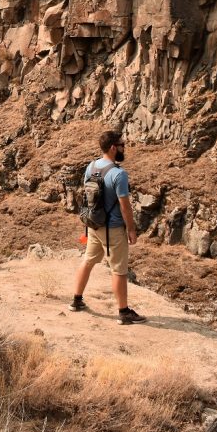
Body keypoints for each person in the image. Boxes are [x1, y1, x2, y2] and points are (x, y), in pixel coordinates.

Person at [69, 130, 146, 324]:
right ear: (113, 147)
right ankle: (123, 312)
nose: (123, 148)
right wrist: (131, 229)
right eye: (121, 145)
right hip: (113, 229)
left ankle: (76, 301)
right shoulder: (119, 174)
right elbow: (125, 205)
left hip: (94, 225)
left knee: (88, 260)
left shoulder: (91, 166)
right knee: (119, 269)